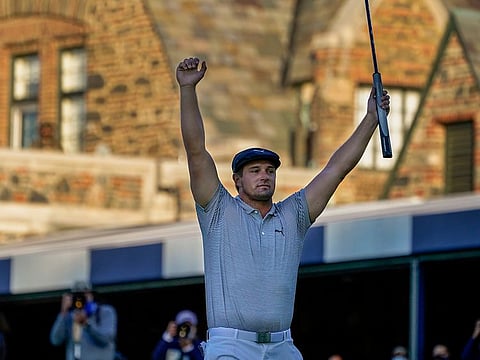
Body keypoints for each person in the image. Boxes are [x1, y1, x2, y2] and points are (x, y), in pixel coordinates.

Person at [176, 56, 390, 359]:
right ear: (236, 180)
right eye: (254, 170)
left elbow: (336, 169)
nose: (264, 175)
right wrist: (187, 89)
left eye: (269, 170)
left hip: (281, 346)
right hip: (231, 346)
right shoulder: (218, 210)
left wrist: (371, 118)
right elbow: (196, 151)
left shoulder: (294, 215)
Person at [50, 281, 117, 360]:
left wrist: (86, 323)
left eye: (83, 295)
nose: (80, 299)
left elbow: (105, 339)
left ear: (91, 295)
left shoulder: (105, 311)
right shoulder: (70, 316)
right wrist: (63, 312)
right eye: (77, 296)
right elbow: (55, 340)